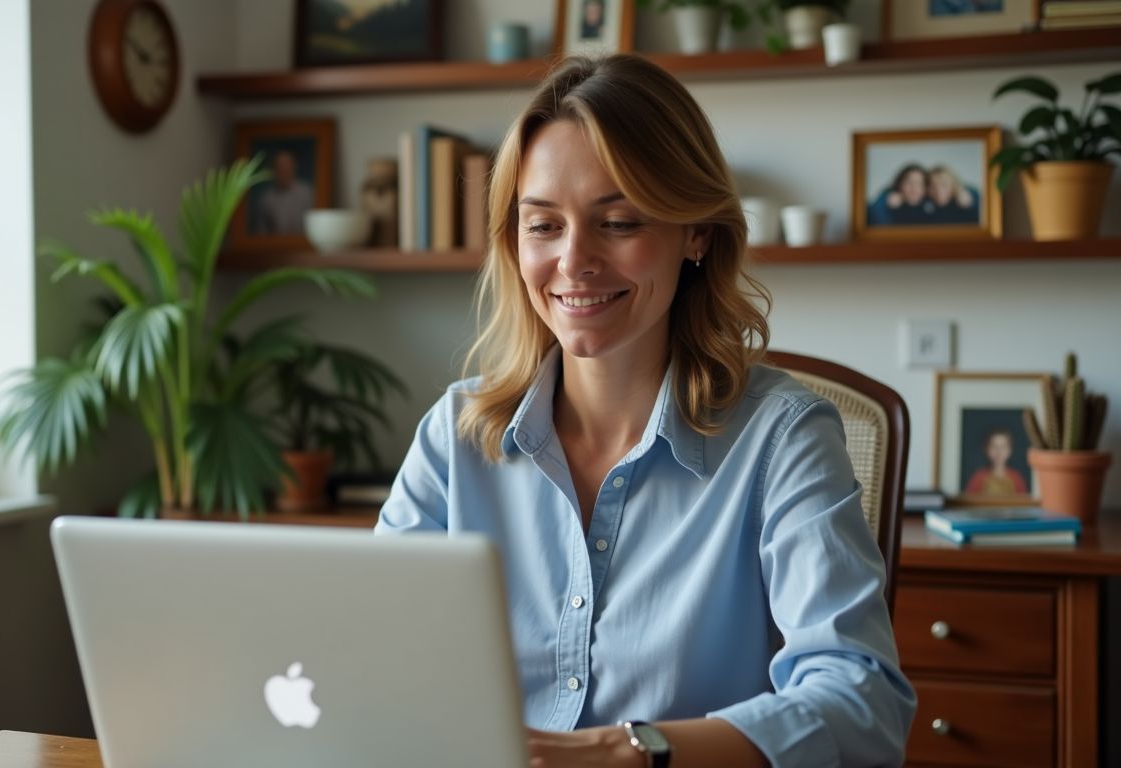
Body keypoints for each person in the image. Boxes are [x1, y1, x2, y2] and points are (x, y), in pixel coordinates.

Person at [376, 55, 914, 767]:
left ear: (697, 234)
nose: (574, 261)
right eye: (543, 226)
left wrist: (631, 752)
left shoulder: (783, 437)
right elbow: (369, 661)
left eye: (619, 222)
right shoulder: (457, 433)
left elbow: (861, 701)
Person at [257, 149, 313, 235]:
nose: (283, 169)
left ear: (295, 166)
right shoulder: (267, 198)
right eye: (279, 166)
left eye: (287, 165)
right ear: (274, 169)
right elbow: (261, 232)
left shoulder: (307, 193)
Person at [964, 428, 1028, 496]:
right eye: (994, 446)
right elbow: (969, 501)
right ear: (986, 449)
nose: (999, 451)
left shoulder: (1017, 479)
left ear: (1010, 450)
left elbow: (1024, 502)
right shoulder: (977, 478)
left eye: (1003, 447)